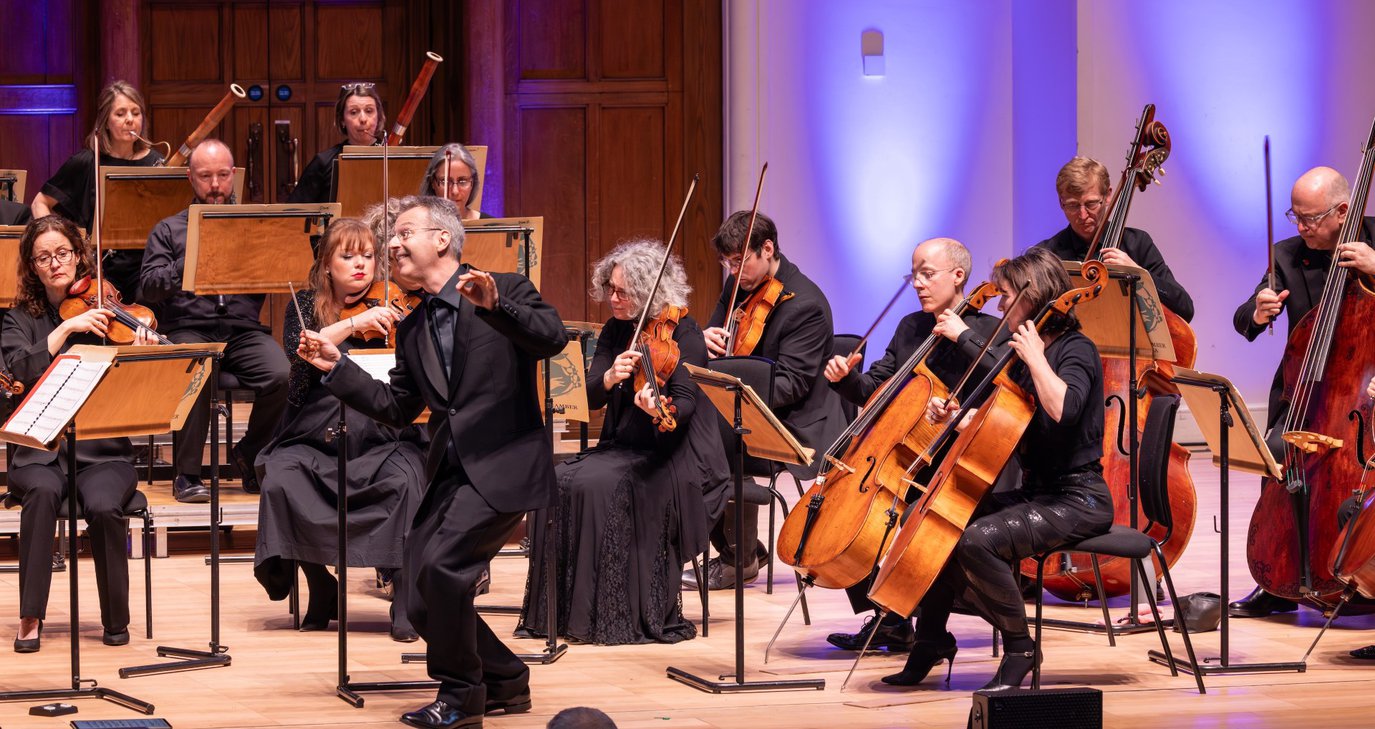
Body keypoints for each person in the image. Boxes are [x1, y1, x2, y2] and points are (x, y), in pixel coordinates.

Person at [297, 195, 568, 729]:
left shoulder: (505, 288)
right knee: (419, 593)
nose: (391, 245)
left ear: (442, 239)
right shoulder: (416, 326)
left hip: (504, 465)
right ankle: (506, 680)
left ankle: (462, 696)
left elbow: (552, 339)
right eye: (392, 238)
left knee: (443, 572)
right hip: (450, 473)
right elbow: (398, 406)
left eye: (404, 233)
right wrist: (337, 368)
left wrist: (496, 306)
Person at [882, 246, 1114, 690]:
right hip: (1038, 492)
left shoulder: (1075, 349)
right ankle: (930, 640)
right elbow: (1012, 420)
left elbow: (1064, 411)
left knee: (975, 540)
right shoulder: (1026, 350)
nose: (1001, 304)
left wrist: (1036, 358)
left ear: (1035, 294)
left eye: (1007, 295)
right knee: (930, 521)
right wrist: (955, 417)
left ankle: (1021, 648)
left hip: (1078, 498)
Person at [515, 240, 729, 645]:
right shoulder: (616, 330)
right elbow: (590, 395)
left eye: (622, 292)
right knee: (556, 480)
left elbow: (684, 405)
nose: (612, 298)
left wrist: (656, 408)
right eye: (610, 288)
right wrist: (610, 377)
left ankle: (610, 614)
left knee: (600, 487)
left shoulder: (685, 333)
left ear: (648, 292)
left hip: (675, 455)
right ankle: (561, 613)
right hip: (625, 445)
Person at [821, 237, 1003, 653]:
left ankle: (905, 620)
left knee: (896, 519)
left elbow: (1003, 382)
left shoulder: (987, 330)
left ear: (958, 276)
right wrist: (846, 379)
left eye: (927, 274)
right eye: (914, 275)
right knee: (852, 516)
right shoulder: (911, 327)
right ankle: (890, 619)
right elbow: (876, 386)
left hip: (956, 457)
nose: (918, 284)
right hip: (904, 451)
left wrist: (962, 336)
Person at [251, 218, 424, 640]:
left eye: (368, 255)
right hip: (315, 428)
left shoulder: (398, 305)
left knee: (404, 482)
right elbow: (300, 360)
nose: (361, 265)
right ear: (327, 264)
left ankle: (405, 597)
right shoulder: (305, 306)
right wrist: (353, 324)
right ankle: (320, 584)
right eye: (348, 256)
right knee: (281, 478)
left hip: (382, 430)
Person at [4, 215, 159, 653]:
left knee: (106, 505)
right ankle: (30, 615)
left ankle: (115, 618)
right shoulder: (19, 320)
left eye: (63, 253)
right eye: (44, 257)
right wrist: (67, 329)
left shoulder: (108, 313)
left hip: (103, 451)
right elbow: (18, 370)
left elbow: (137, 392)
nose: (55, 263)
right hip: (39, 452)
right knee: (41, 493)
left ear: (78, 256)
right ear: (32, 267)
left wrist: (140, 356)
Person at [1229, 165, 1375, 618]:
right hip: (1306, 399)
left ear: (1344, 211)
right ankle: (1279, 582)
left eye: (1311, 218)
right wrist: (1257, 311)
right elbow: (1243, 320)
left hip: (1366, 401)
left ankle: (1363, 582)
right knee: (1277, 455)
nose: (1301, 227)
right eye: (1296, 216)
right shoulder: (1288, 256)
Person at [685, 210, 847, 591]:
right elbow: (716, 344)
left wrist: (739, 385)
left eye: (740, 261)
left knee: (711, 439)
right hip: (750, 408)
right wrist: (703, 340)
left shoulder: (806, 305)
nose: (733, 271)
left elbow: (792, 385)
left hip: (797, 422)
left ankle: (736, 558)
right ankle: (743, 549)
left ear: (768, 249)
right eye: (728, 263)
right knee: (696, 427)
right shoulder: (739, 285)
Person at [138, 139, 290, 504]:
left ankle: (249, 454)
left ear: (233, 174)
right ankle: (187, 474)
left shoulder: (253, 227)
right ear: (190, 178)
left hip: (242, 330)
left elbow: (274, 274)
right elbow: (149, 286)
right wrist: (191, 257)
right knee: (197, 368)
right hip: (189, 327)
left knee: (282, 374)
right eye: (206, 176)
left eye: (223, 175)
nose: (216, 185)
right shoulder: (168, 229)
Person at [31, 81, 164, 303]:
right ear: (106, 122)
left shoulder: (156, 163)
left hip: (145, 267)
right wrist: (58, 242)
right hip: (98, 268)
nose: (130, 119)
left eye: (136, 113)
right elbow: (39, 203)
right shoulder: (86, 162)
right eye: (120, 113)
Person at [1033, 156, 1194, 322]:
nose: (1082, 215)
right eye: (1073, 205)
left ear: (1108, 196)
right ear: (1061, 203)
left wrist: (1139, 274)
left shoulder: (1137, 244)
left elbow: (1185, 308)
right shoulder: (1046, 256)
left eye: (1091, 204)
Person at [287, 83, 386, 204]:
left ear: (378, 116)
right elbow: (294, 210)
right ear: (342, 120)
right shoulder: (324, 162)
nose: (363, 119)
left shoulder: (396, 157)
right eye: (353, 112)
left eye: (369, 111)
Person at [418, 144, 491, 221]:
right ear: (432, 183)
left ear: (472, 183)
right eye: (445, 181)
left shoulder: (490, 226)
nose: (455, 191)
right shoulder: (419, 223)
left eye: (462, 181)